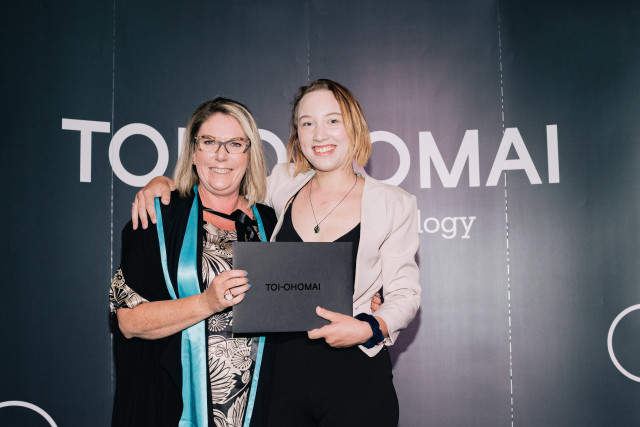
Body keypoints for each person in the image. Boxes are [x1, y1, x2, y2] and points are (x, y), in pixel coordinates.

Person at [132, 79, 421, 426]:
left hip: (355, 376)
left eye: (333, 120)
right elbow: (221, 183)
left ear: (354, 127)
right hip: (279, 381)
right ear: (297, 135)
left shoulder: (394, 203)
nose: (320, 134)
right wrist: (164, 184)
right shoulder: (282, 184)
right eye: (307, 123)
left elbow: (405, 294)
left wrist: (369, 328)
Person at [109, 97, 277, 427]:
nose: (221, 155)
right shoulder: (158, 217)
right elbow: (128, 321)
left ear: (249, 153)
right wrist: (207, 302)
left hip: (259, 407)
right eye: (209, 142)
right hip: (172, 404)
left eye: (235, 143)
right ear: (193, 151)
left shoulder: (271, 223)